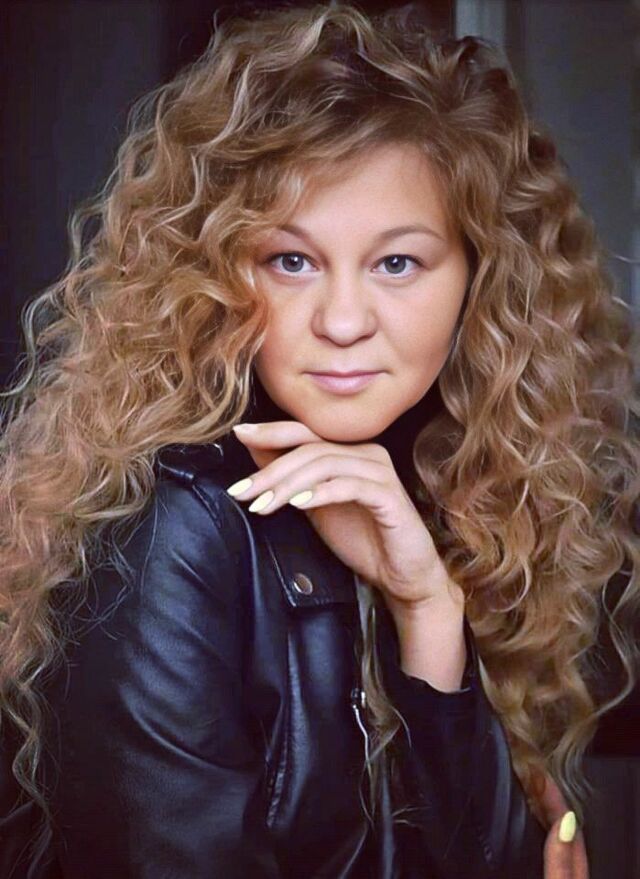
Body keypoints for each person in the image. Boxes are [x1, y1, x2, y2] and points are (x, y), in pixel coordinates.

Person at [0, 1, 637, 876]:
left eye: (397, 262)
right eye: (291, 260)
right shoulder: (173, 527)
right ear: (218, 271)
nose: (342, 321)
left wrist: (427, 606)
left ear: (479, 277)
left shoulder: (441, 494)